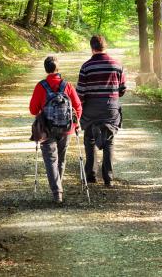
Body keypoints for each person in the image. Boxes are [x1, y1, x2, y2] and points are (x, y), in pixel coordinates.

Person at [29, 55, 82, 204]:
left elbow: (33, 110)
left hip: (46, 129)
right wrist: (75, 124)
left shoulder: (41, 86)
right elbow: (77, 106)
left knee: (51, 159)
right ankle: (58, 186)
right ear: (58, 68)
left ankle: (57, 192)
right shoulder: (68, 86)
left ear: (46, 69)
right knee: (61, 158)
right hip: (66, 129)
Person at [77, 35, 126, 187]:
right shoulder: (117, 65)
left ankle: (91, 175)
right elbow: (123, 89)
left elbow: (80, 93)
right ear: (105, 46)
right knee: (109, 142)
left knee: (90, 139)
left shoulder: (86, 67)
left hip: (91, 109)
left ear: (92, 48)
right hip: (111, 108)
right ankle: (108, 178)